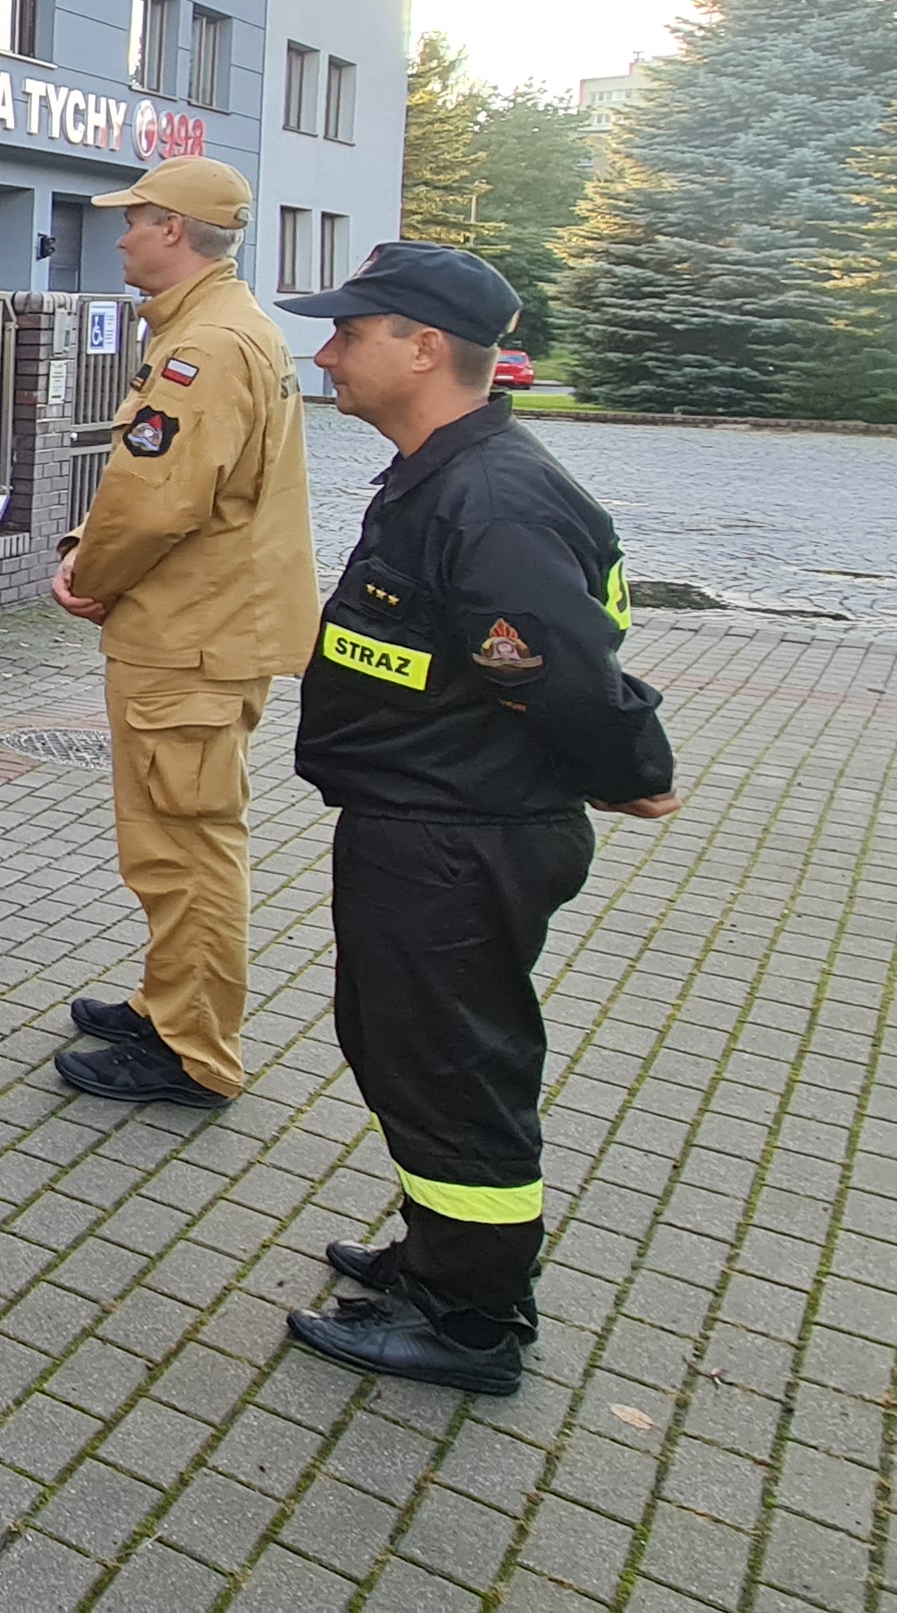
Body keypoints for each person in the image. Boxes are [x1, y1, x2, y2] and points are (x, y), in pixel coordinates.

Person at [275, 244, 677, 1395]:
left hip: (460, 835)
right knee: (408, 1050)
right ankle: (440, 1254)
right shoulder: (441, 472)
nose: (327, 353)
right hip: (426, 821)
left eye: (351, 332)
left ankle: (470, 1320)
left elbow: (551, 665)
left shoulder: (490, 494)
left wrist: (631, 766)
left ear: (424, 348)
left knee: (452, 1070)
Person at [43, 156, 317, 1111]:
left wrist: (88, 576)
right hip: (202, 631)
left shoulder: (209, 345)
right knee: (172, 840)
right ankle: (166, 1005)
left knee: (184, 851)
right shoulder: (218, 328)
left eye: (134, 219)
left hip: (191, 640)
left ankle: (194, 1052)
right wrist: (90, 548)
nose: (121, 236)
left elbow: (159, 500)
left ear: (172, 228)